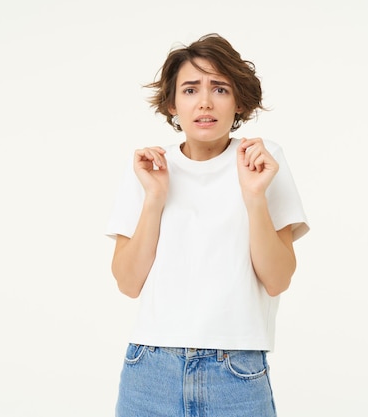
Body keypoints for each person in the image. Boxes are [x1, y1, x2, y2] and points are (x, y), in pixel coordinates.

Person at [106, 33, 309, 417]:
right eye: (190, 89)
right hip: (150, 369)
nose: (204, 102)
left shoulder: (261, 160)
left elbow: (278, 278)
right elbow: (128, 283)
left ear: (238, 101)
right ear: (171, 103)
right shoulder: (148, 167)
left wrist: (253, 198)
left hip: (235, 372)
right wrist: (154, 199)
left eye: (219, 88)